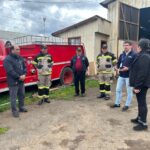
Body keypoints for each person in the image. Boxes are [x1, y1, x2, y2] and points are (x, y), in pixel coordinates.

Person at [130, 38, 150, 131]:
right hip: (140, 84)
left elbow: (142, 73)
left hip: (141, 85)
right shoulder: (142, 55)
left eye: (138, 45)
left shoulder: (145, 56)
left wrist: (137, 86)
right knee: (140, 102)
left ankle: (143, 123)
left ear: (141, 47)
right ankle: (139, 118)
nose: (136, 47)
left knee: (142, 103)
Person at [111, 41, 136, 111]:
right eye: (124, 45)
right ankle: (117, 103)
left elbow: (136, 66)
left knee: (129, 91)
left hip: (129, 76)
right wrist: (116, 67)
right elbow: (118, 63)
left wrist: (128, 68)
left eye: (127, 45)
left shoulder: (134, 55)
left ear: (131, 46)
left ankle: (127, 105)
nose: (125, 47)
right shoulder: (122, 54)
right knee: (118, 89)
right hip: (121, 75)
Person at [4, 45, 27, 118]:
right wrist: (19, 77)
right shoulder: (7, 59)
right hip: (13, 81)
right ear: (12, 50)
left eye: (19, 49)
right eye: (17, 49)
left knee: (22, 95)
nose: (19, 51)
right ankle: (14, 111)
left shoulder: (20, 58)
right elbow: (10, 71)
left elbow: (24, 67)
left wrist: (24, 74)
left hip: (21, 80)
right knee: (13, 97)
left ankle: (21, 107)